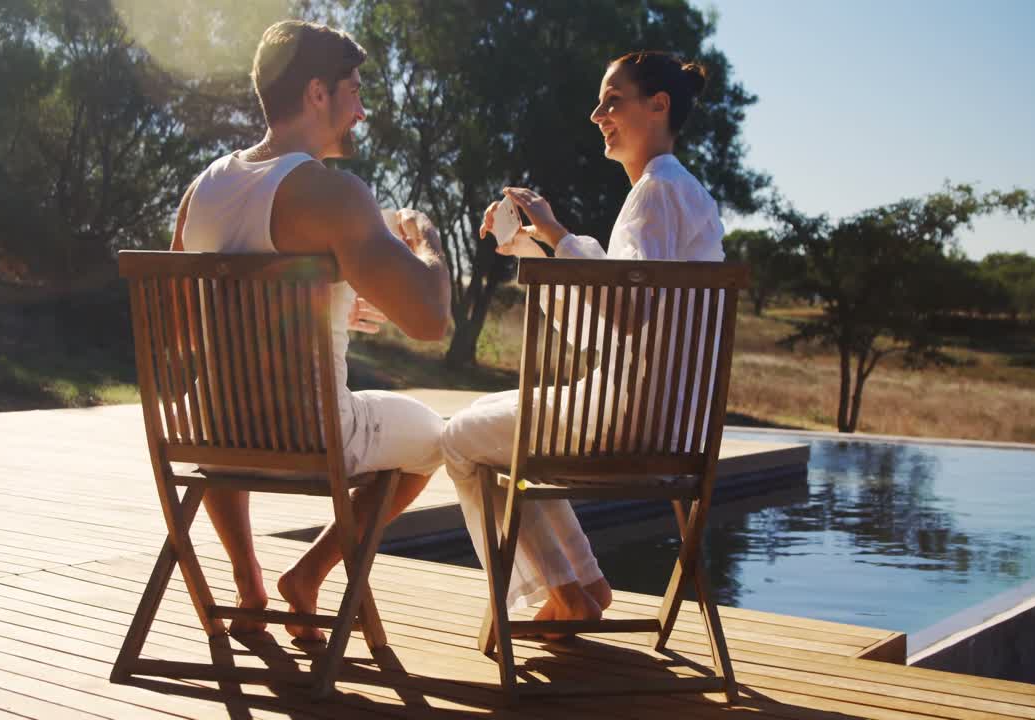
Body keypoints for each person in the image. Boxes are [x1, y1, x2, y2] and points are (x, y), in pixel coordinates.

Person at [171, 20, 451, 642]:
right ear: (318, 93)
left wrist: (314, 313)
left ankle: (249, 586)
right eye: (354, 90)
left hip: (211, 429)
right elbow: (431, 321)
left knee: (221, 413)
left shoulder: (200, 191)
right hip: (312, 432)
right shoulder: (335, 194)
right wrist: (429, 245)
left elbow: (188, 330)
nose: (361, 108)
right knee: (435, 439)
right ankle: (308, 573)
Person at [440, 51, 724, 636]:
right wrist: (532, 250)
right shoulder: (684, 193)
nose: (597, 114)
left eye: (612, 100)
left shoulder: (656, 193)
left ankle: (567, 590)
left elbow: (626, 308)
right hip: (670, 420)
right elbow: (615, 323)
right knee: (479, 417)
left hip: (634, 421)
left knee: (460, 440)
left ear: (658, 106)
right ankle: (584, 583)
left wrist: (555, 233)